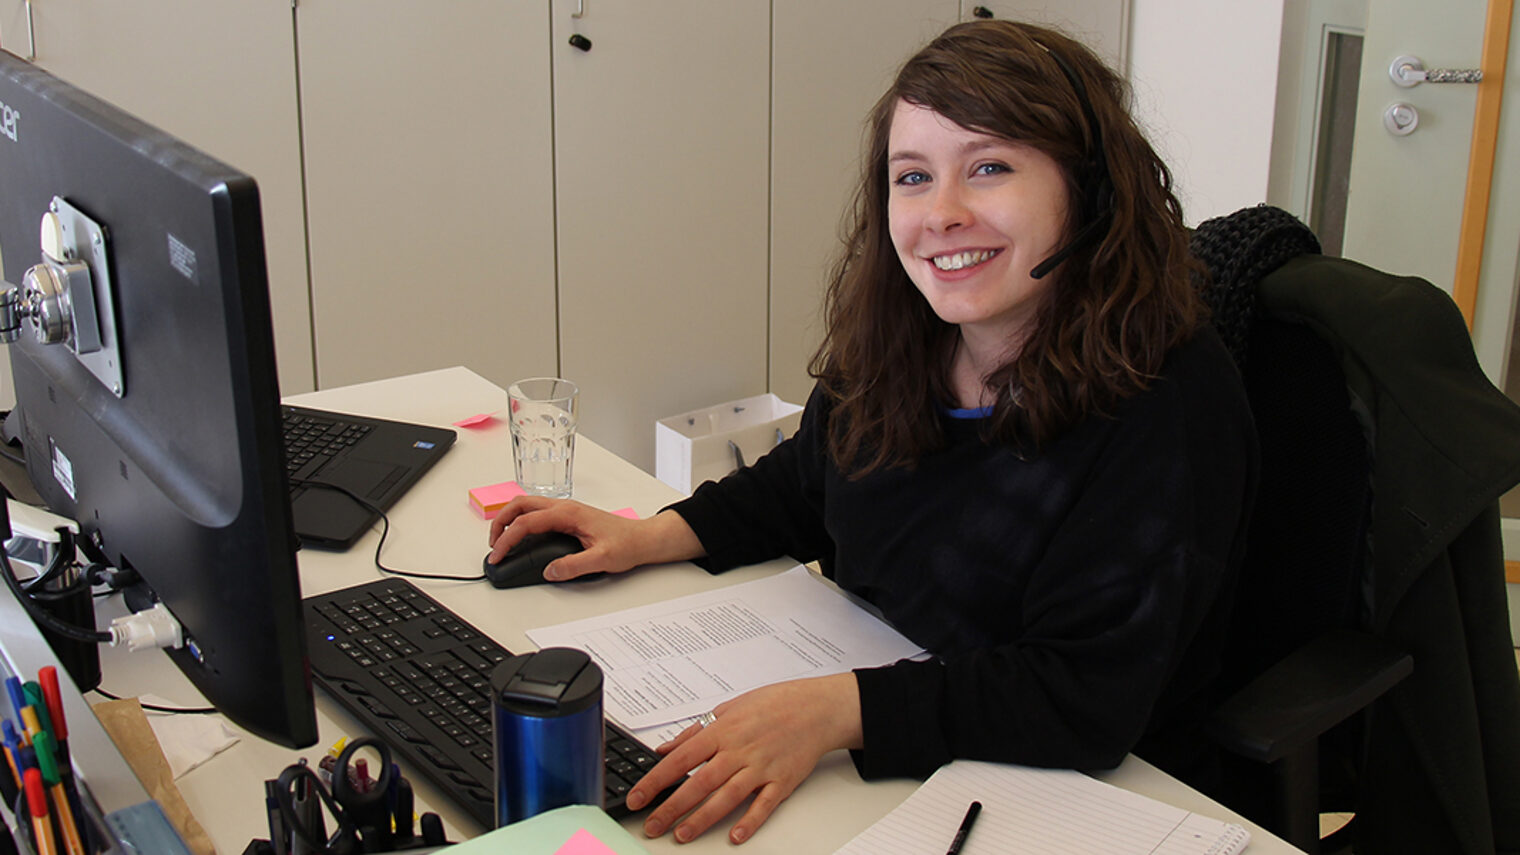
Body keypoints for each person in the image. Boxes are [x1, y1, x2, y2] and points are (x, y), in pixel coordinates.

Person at [488, 19, 1257, 846]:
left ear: (1091, 190)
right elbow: (805, 482)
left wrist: (835, 711)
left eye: (990, 167)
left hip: (1068, 799)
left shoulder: (1167, 395)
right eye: (913, 177)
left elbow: (1084, 693)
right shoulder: (909, 335)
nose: (943, 214)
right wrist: (649, 536)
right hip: (898, 735)